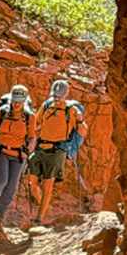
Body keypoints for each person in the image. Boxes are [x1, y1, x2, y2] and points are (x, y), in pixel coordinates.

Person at [0, 84, 35, 236]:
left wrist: (31, 144)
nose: (16, 104)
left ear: (25, 101)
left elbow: (32, 136)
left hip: (19, 155)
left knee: (11, 187)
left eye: (20, 102)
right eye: (14, 101)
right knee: (1, 181)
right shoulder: (2, 112)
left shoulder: (30, 116)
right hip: (2, 151)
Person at [28, 79, 86, 224]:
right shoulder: (47, 105)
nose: (57, 98)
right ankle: (45, 207)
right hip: (41, 147)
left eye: (59, 96)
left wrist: (80, 120)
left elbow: (82, 129)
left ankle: (39, 218)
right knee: (32, 183)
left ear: (66, 94)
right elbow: (38, 123)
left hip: (58, 150)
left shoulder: (71, 110)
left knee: (48, 185)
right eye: (55, 95)